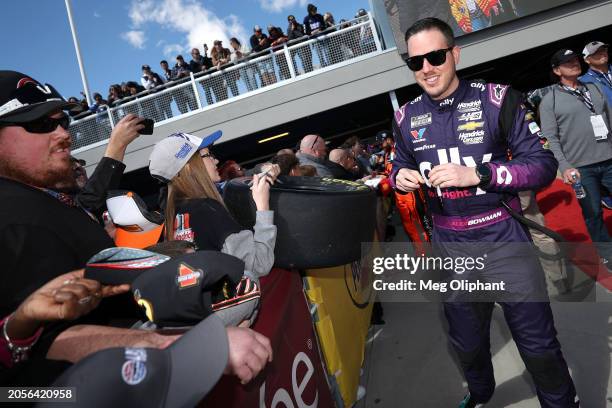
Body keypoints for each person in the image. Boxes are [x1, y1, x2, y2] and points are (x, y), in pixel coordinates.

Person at [392, 19, 578, 407]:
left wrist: (479, 173)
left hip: (503, 239)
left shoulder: (497, 98)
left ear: (455, 54)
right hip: (450, 247)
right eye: (416, 62)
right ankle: (480, 393)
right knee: (466, 342)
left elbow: (541, 165)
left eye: (435, 56)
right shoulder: (405, 118)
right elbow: (399, 165)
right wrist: (400, 177)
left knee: (539, 345)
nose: (426, 68)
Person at [0, 71, 187, 385]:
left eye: (63, 122)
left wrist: (154, 259)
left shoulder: (40, 197)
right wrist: (171, 351)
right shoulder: (14, 217)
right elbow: (46, 355)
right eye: (40, 124)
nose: (63, 134)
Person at [149, 132, 279, 325]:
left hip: (196, 314)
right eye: (208, 155)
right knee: (249, 282)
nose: (216, 160)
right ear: (190, 166)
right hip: (212, 317)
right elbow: (260, 264)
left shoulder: (173, 214)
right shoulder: (207, 208)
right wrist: (263, 206)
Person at [539, 48, 612, 264]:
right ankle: (607, 255)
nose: (574, 64)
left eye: (575, 60)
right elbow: (551, 139)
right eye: (567, 62)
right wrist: (565, 167)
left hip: (609, 159)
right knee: (593, 215)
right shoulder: (550, 100)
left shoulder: (595, 88)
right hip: (581, 169)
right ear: (556, 70)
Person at [303, 3, 330, 67]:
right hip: (315, 39)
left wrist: (318, 30)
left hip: (323, 36)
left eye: (315, 9)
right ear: (310, 11)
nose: (315, 11)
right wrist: (311, 33)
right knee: (320, 55)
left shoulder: (319, 16)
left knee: (327, 52)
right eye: (313, 10)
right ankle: (323, 66)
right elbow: (305, 31)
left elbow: (324, 26)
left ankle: (330, 64)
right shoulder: (306, 19)